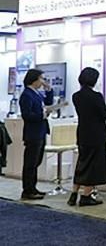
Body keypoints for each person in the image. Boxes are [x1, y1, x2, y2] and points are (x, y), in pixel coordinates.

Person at [68, 67, 106, 207]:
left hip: (83, 133)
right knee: (94, 166)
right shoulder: (96, 96)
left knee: (82, 163)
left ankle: (74, 193)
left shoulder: (76, 96)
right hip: (96, 135)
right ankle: (86, 195)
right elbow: (104, 114)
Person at [19, 69, 53, 200]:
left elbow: (47, 103)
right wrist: (42, 115)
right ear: (34, 79)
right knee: (30, 163)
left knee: (36, 162)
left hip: (40, 131)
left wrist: (49, 90)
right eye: (41, 79)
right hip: (33, 133)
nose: (43, 81)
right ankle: (28, 190)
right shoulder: (26, 95)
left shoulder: (36, 93)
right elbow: (27, 115)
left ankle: (33, 187)